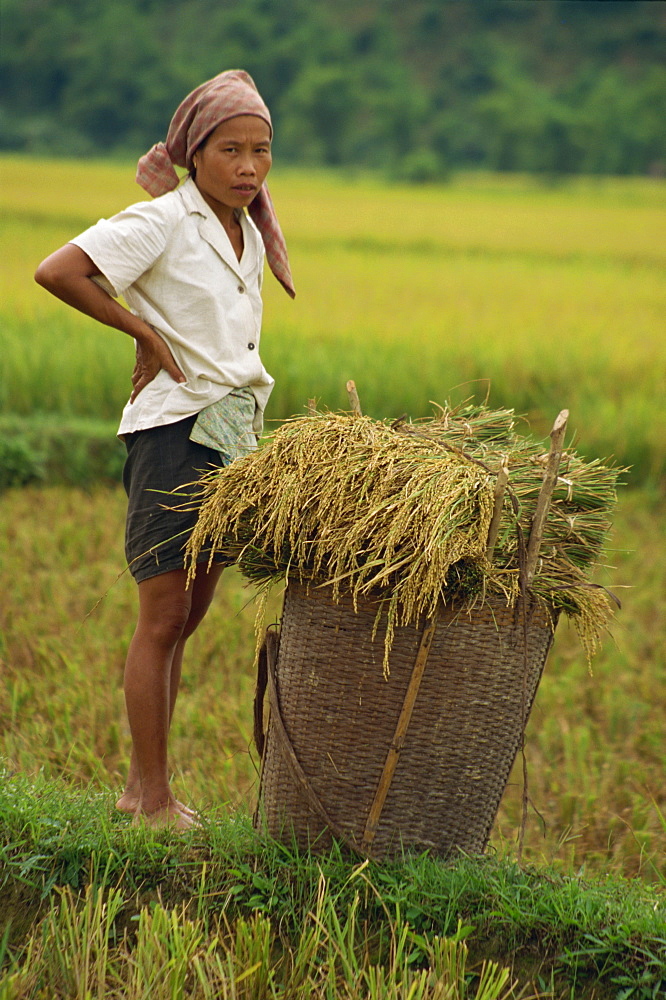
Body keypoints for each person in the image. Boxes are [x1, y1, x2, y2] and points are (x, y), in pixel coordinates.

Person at [34, 70, 295, 829]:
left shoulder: (243, 230)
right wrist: (141, 330)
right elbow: (59, 270)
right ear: (195, 153)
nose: (249, 167)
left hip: (231, 435)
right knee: (162, 617)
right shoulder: (164, 222)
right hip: (175, 432)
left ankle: (147, 789)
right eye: (231, 151)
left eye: (262, 151)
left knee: (189, 618)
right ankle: (149, 797)